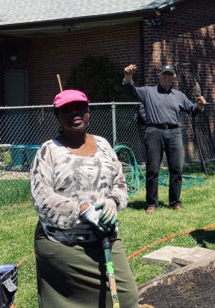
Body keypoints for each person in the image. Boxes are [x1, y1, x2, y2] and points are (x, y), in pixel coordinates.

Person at [30, 89, 139, 307]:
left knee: (127, 298)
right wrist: (82, 209)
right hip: (63, 244)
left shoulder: (104, 145)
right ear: (57, 115)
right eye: (66, 110)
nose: (74, 113)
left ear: (88, 111)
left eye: (79, 108)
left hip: (106, 239)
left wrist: (113, 201)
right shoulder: (48, 151)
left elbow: (120, 183)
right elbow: (41, 198)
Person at [122, 64, 207, 214]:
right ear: (159, 76)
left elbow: (192, 110)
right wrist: (128, 77)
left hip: (174, 133)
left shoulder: (179, 95)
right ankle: (152, 203)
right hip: (154, 132)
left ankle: (175, 202)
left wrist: (199, 106)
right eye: (164, 74)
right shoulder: (148, 92)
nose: (167, 77)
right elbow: (130, 90)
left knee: (176, 169)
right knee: (153, 169)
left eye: (170, 75)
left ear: (174, 78)